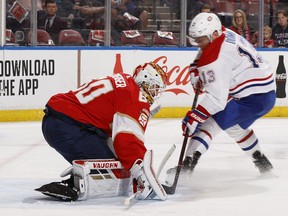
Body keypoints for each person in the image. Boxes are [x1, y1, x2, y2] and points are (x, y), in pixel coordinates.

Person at [36, 62, 168, 201]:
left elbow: (109, 126)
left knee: (117, 161)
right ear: (144, 80)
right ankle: (75, 185)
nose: (154, 93)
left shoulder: (125, 81)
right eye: (154, 87)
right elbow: (127, 142)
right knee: (117, 174)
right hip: (67, 128)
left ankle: (82, 172)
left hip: (60, 121)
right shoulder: (134, 98)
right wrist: (141, 174)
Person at [167, 13, 275, 178]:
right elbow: (205, 52)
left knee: (208, 124)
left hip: (252, 97)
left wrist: (196, 117)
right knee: (234, 127)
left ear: (214, 34)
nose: (198, 43)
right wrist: (197, 65)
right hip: (265, 94)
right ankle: (262, 162)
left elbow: (217, 100)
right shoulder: (223, 33)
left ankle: (186, 167)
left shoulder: (217, 57)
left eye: (201, 39)